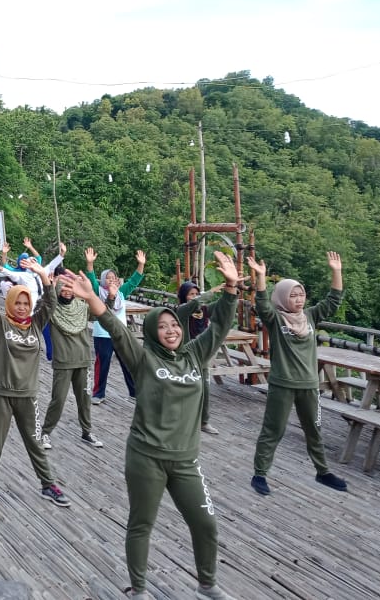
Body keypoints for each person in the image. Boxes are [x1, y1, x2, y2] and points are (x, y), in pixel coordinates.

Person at [61, 251, 242, 600]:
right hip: (146, 457)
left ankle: (207, 585)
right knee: (142, 524)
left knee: (206, 523)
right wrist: (93, 298)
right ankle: (140, 590)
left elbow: (219, 327)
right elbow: (115, 328)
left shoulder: (194, 354)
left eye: (174, 324)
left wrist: (232, 288)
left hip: (186, 460)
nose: (171, 330)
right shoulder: (142, 358)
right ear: (151, 330)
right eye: (162, 325)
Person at [0, 242, 72, 519]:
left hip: (27, 396)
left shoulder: (37, 324)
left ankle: (48, 485)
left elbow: (51, 301)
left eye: (26, 302)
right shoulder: (1, 325)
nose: (23, 307)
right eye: (18, 302)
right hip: (0, 394)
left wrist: (43, 276)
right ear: (11, 303)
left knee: (35, 442)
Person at [249, 252, 348, 496]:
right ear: (283, 297)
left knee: (314, 429)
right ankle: (259, 474)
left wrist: (336, 271)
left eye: (301, 294)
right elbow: (262, 305)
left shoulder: (311, 317)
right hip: (282, 384)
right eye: (292, 295)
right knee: (273, 430)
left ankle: (322, 472)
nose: (298, 299)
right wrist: (261, 278)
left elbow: (334, 301)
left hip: (309, 384)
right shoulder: (275, 319)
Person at [40, 264, 104, 450]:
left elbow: (100, 311)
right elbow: (45, 304)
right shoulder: (52, 308)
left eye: (70, 288)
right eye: (64, 289)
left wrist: (110, 295)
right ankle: (45, 432)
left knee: (84, 399)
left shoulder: (82, 307)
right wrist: (49, 287)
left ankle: (87, 431)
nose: (67, 292)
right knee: (58, 399)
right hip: (63, 361)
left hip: (83, 360)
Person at [87, 247, 146, 404]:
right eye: (108, 278)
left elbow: (135, 280)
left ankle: (134, 391)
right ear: (103, 280)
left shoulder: (122, 292)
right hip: (103, 334)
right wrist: (90, 263)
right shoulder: (98, 291)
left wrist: (141, 264)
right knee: (103, 363)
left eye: (114, 278)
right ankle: (98, 394)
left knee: (128, 362)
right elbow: (91, 278)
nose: (112, 280)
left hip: (120, 334)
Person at [176, 281, 222, 435]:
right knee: (185, 388)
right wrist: (211, 292)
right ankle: (180, 420)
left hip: (202, 356)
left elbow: (221, 305)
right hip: (186, 356)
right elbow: (195, 303)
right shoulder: (181, 310)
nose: (194, 297)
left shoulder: (203, 310)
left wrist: (231, 289)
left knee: (205, 389)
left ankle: (203, 422)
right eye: (191, 294)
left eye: (196, 294)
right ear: (184, 297)